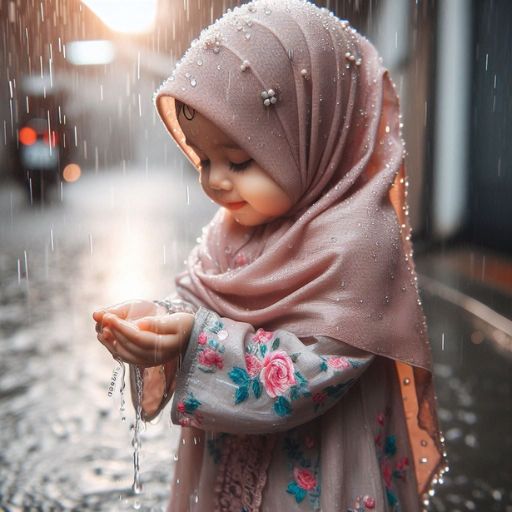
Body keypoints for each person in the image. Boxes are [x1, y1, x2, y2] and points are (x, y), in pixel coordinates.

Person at [93, 1, 446, 510]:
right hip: (226, 461)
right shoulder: (233, 226)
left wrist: (198, 340)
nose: (214, 180)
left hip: (319, 468)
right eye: (203, 157)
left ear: (312, 133)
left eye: (238, 159)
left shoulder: (359, 241)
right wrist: (162, 325)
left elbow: (318, 371)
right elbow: (195, 302)